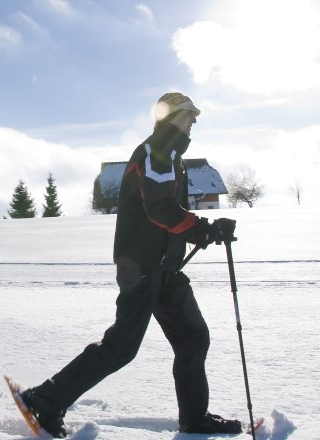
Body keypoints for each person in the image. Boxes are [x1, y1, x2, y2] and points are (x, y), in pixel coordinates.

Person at [19, 92, 241, 437]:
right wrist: (202, 228)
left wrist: (203, 233)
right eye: (189, 115)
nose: (194, 121)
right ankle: (44, 399)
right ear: (170, 117)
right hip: (142, 265)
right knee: (121, 348)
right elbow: (160, 208)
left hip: (165, 268)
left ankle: (194, 418)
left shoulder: (171, 155)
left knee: (194, 339)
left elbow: (165, 213)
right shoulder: (157, 152)